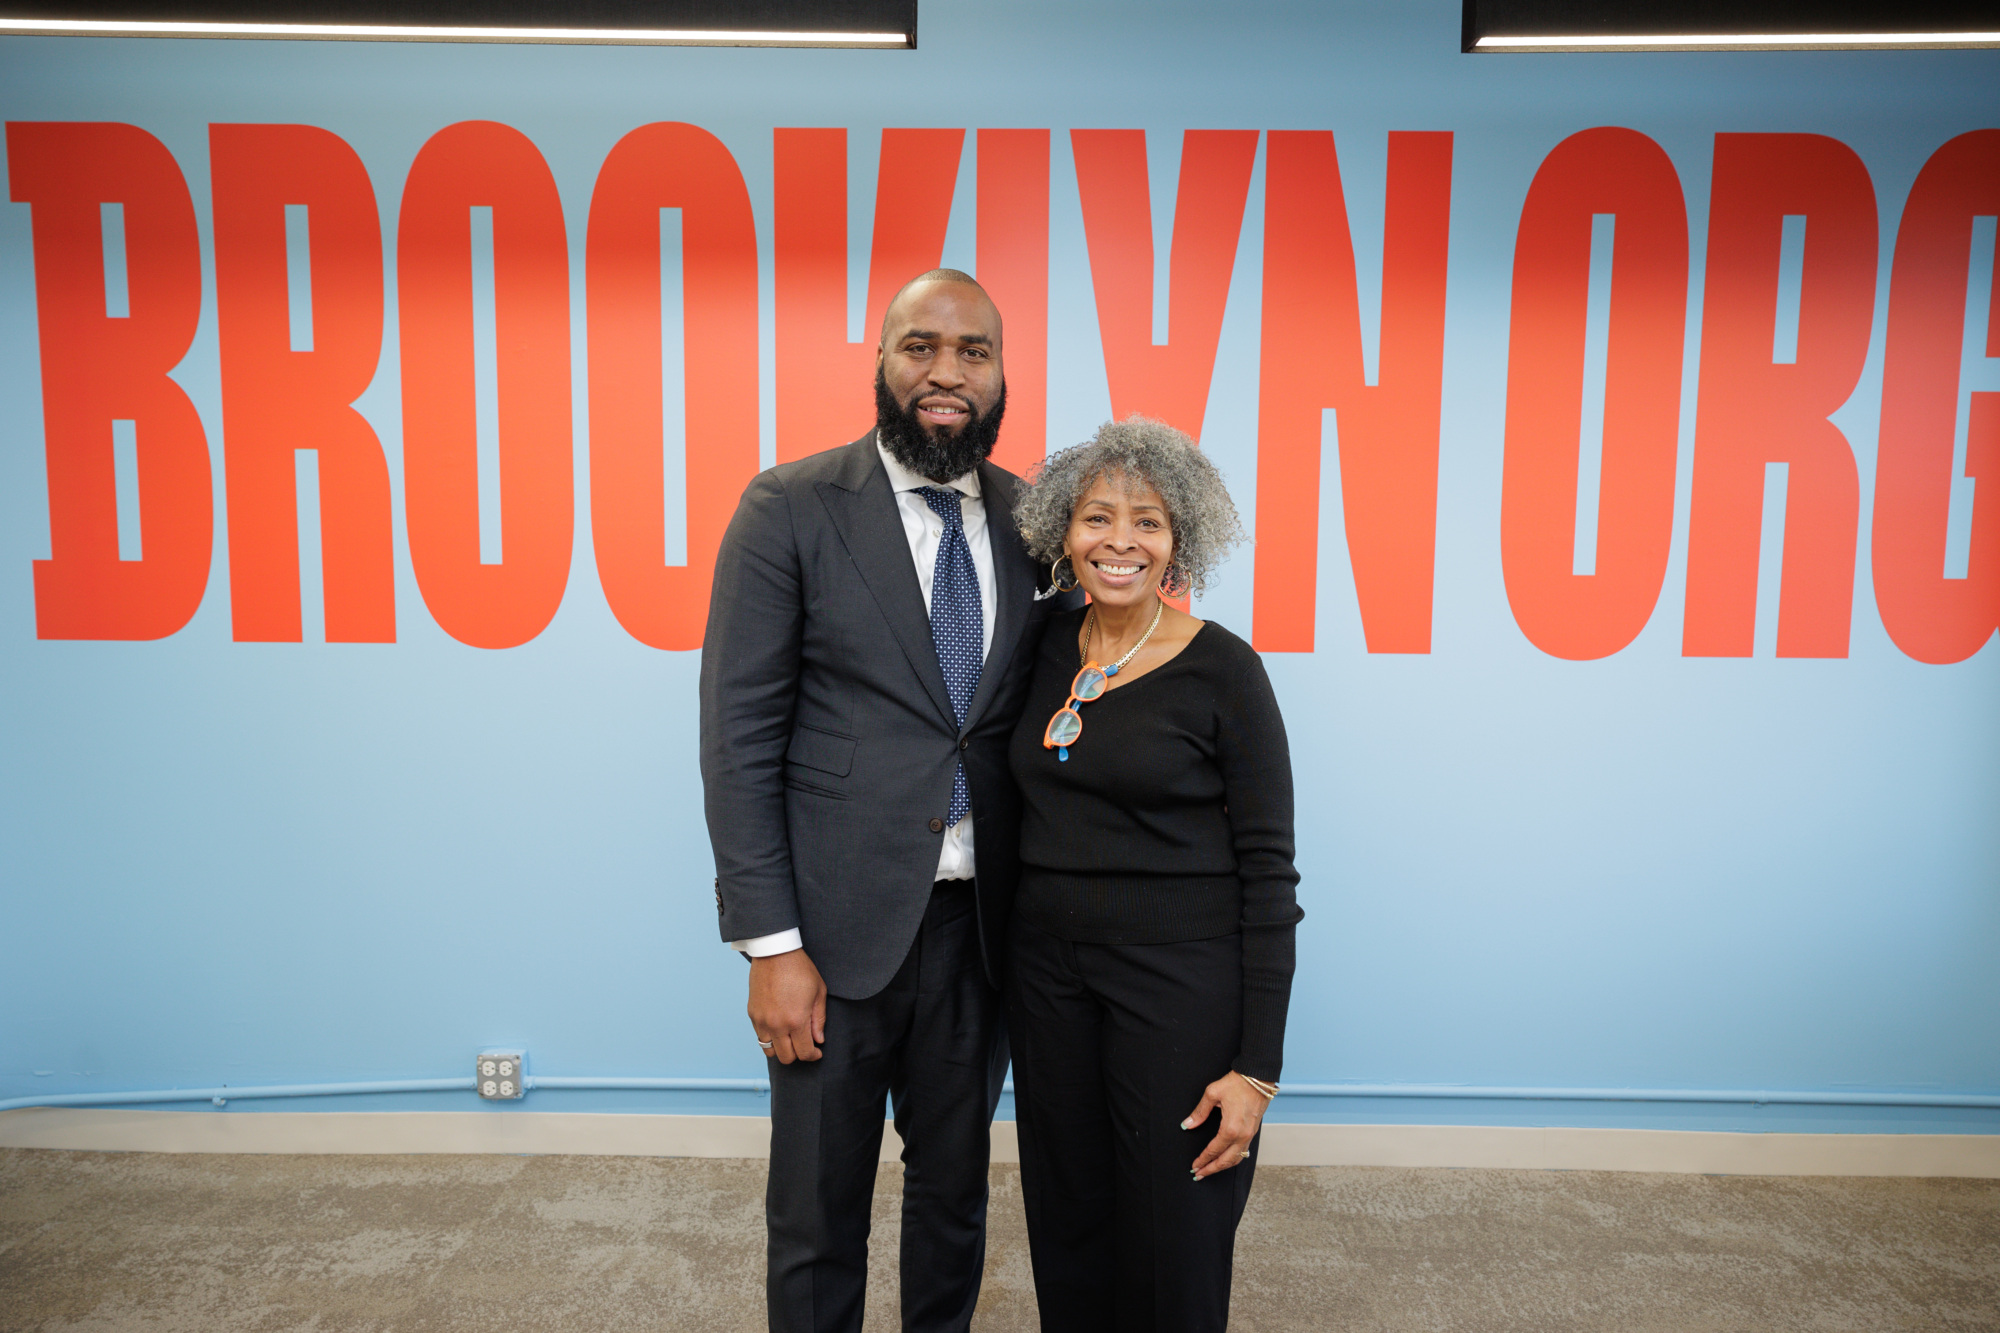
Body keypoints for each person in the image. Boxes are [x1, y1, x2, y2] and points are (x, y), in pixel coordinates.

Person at [699, 269, 1069, 1333]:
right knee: (816, 1212)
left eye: (972, 352)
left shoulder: (1035, 522)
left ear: (1000, 374)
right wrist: (770, 945)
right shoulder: (790, 507)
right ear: (880, 360)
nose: (945, 373)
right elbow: (739, 739)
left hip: (979, 932)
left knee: (953, 1202)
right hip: (831, 933)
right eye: (920, 347)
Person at [1004, 416, 1302, 1332]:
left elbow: (1270, 871)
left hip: (1178, 981)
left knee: (1176, 1230)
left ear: (1182, 541)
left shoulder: (1225, 672)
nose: (1120, 542)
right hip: (1047, 976)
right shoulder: (1044, 643)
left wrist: (1257, 1069)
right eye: (1097, 518)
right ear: (1064, 532)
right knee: (1069, 1216)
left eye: (1148, 522)